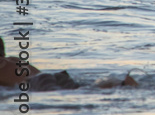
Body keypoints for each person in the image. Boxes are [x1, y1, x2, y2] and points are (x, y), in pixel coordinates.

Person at [0, 37, 136, 90]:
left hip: (37, 83)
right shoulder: (13, 60)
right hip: (51, 76)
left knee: (82, 94)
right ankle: (121, 83)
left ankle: (121, 85)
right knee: (83, 90)